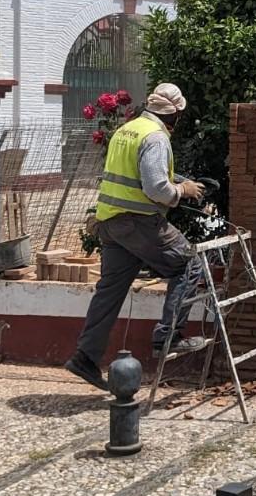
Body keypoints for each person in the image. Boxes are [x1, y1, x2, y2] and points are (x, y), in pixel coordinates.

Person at [64, 83, 207, 390]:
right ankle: (168, 337)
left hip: (111, 223)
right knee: (189, 264)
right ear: (176, 115)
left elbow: (133, 174)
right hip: (139, 222)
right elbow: (156, 188)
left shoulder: (127, 129)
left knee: (110, 290)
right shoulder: (156, 138)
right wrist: (184, 191)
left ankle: (85, 357)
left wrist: (181, 180)